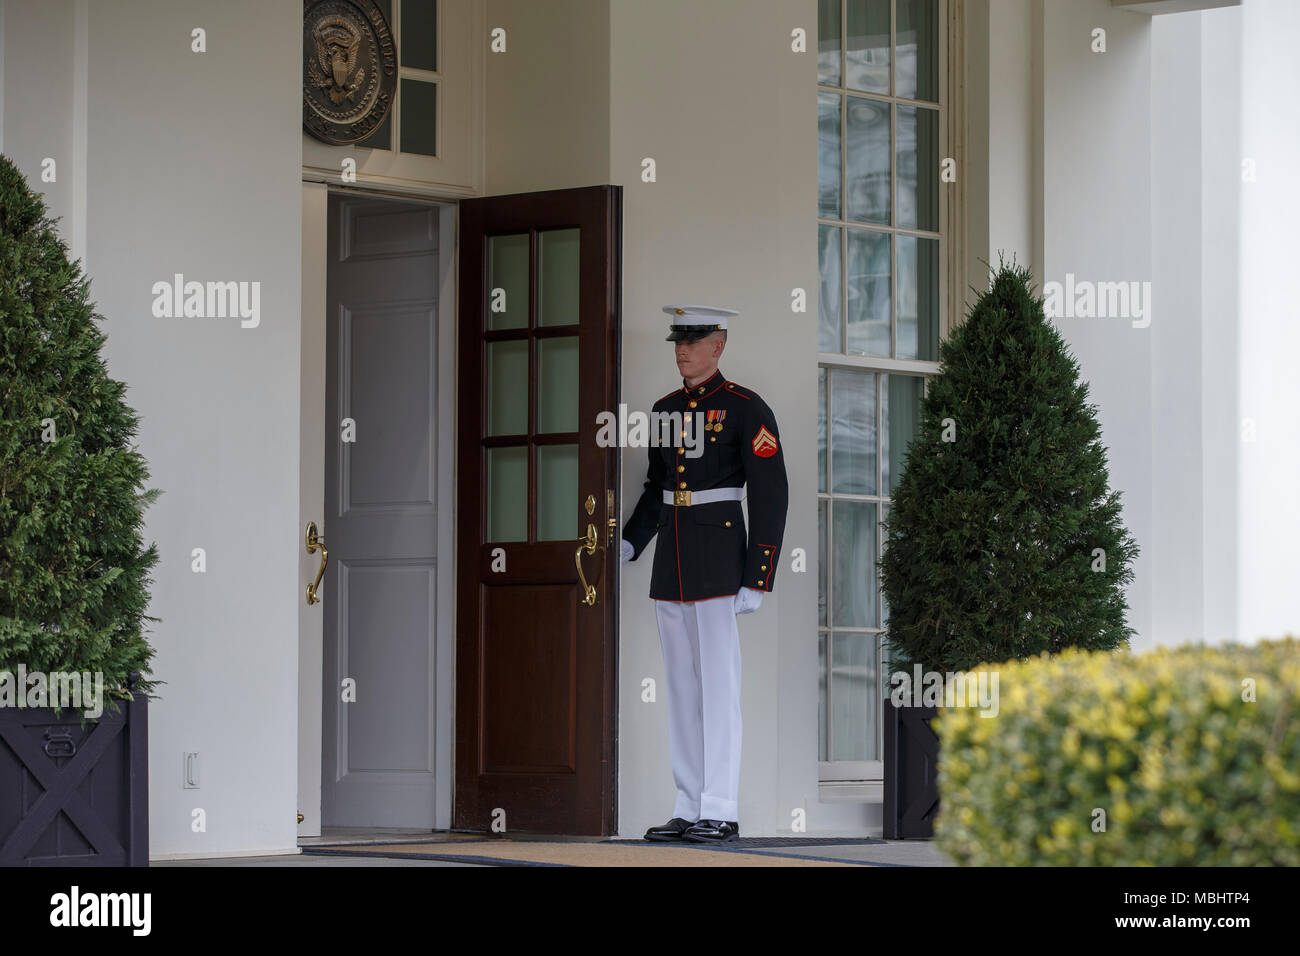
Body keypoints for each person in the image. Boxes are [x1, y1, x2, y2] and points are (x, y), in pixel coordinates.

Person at [621, 304, 789, 843]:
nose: (681, 351)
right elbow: (657, 486)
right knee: (680, 688)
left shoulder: (745, 408)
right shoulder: (664, 409)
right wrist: (630, 540)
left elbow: (770, 492)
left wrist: (758, 574)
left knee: (720, 688)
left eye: (692, 342)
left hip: (720, 559)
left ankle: (720, 805)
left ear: (718, 345)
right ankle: (688, 802)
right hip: (672, 557)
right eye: (677, 341)